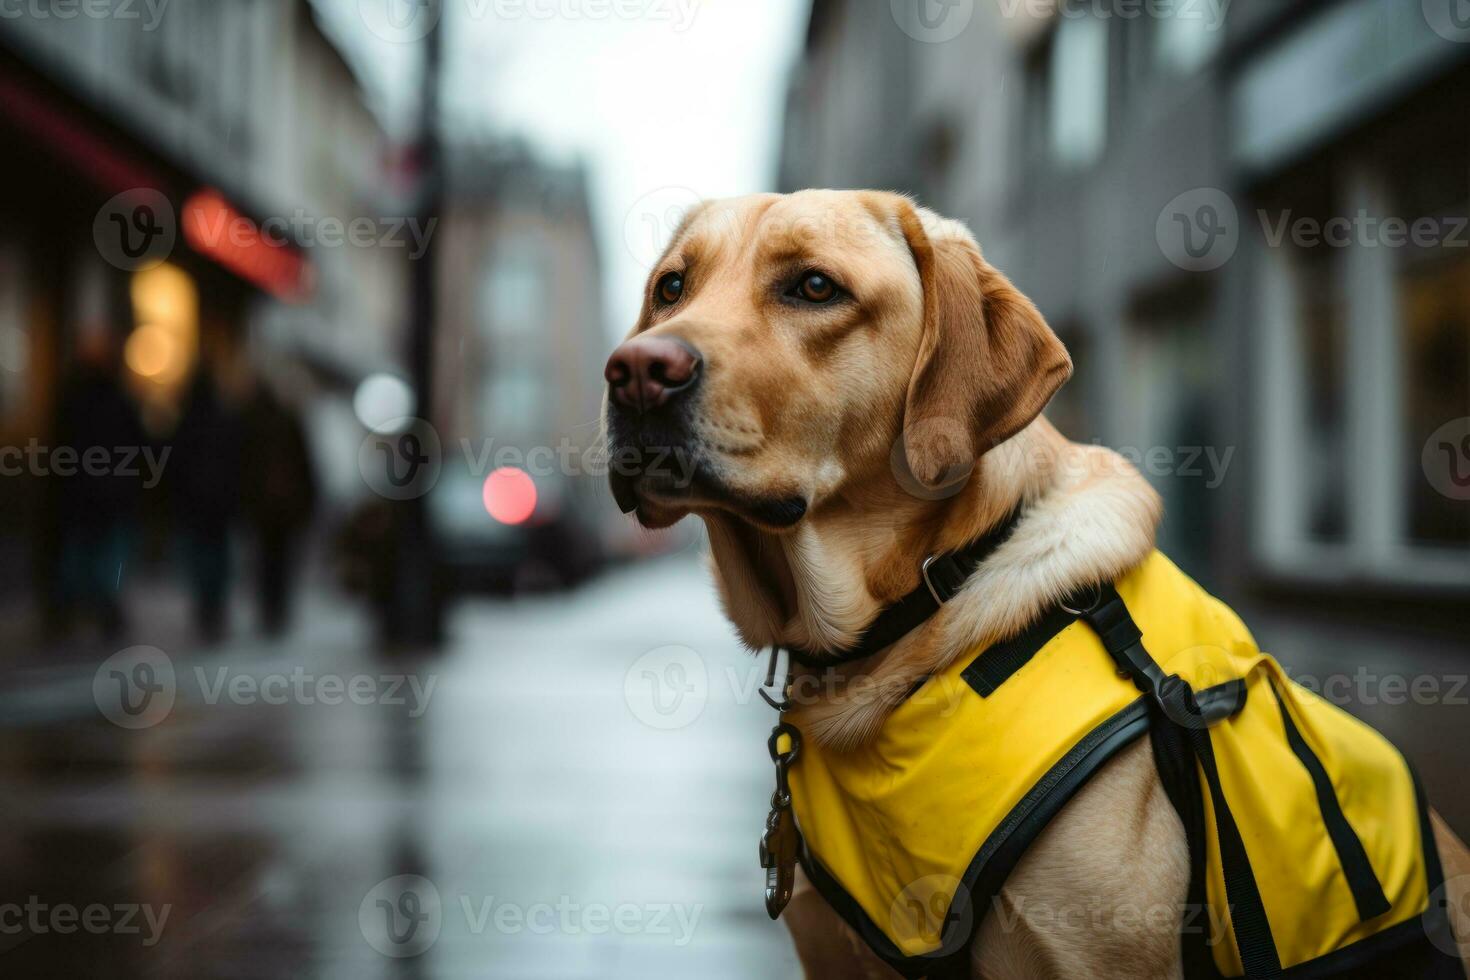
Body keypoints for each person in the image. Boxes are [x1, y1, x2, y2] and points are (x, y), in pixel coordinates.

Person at [48, 329, 145, 638]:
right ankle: (102, 609)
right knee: (102, 556)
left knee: (81, 555)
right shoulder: (118, 400)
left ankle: (71, 611)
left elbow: (58, 449)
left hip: (80, 494)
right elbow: (139, 447)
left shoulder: (73, 400)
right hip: (107, 495)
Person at [240, 381, 317, 635]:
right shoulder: (286, 423)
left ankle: (271, 607)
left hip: (268, 506)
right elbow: (305, 465)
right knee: (278, 559)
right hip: (282, 505)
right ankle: (276, 606)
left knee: (267, 558)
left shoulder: (254, 425)